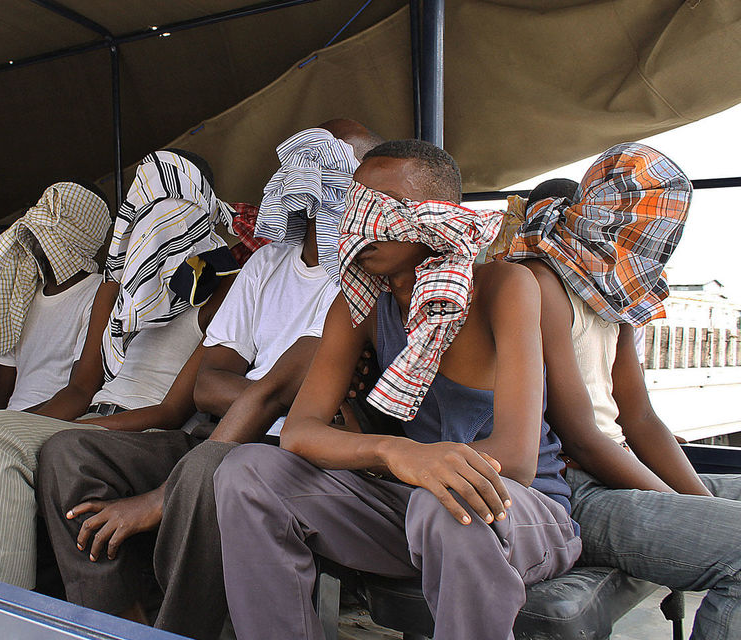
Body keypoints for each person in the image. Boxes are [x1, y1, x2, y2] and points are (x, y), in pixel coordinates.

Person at [214, 139, 582, 640]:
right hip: (409, 500)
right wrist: (395, 452)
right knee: (246, 471)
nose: (364, 223)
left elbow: (516, 458)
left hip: (517, 509)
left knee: (448, 501)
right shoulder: (357, 303)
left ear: (438, 216)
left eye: (386, 207)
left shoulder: (504, 286)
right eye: (355, 205)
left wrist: (420, 467)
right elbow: (301, 431)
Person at [37, 126, 357, 639]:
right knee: (68, 452)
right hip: (218, 432)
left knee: (213, 470)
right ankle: (119, 619)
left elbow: (286, 395)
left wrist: (270, 396)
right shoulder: (267, 264)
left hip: (288, 453)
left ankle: (182, 630)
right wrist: (274, 395)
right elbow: (208, 385)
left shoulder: (359, 275)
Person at [0, 150, 238, 589]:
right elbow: (82, 387)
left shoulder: (224, 287)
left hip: (149, 432)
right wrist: (34, 422)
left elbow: (172, 411)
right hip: (94, 414)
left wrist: (77, 429)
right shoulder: (117, 284)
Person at [507, 142, 741, 640]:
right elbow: (579, 436)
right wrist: (696, 511)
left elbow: (639, 419)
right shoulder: (538, 283)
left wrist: (698, 501)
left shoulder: (614, 291)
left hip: (619, 468)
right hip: (576, 488)